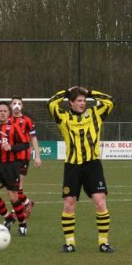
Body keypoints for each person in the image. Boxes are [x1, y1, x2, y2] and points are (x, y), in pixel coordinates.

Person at [47, 85, 115, 253]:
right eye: (79, 100)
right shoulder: (63, 117)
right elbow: (51, 104)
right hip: (72, 166)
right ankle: (70, 243)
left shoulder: (95, 113)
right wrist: (66, 92)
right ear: (71, 102)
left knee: (100, 201)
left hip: (93, 165)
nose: (83, 103)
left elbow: (109, 101)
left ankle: (103, 242)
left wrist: (90, 92)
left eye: (84, 100)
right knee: (69, 203)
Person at [0, 102, 31, 236]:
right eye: (0, 110)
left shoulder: (14, 127)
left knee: (13, 198)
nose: (2, 113)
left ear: (8, 113)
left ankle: (22, 223)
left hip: (11, 167)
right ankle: (8, 217)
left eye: (5, 111)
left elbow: (25, 144)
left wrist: (11, 147)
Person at [10, 96, 42, 217]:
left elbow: (34, 138)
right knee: (13, 185)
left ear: (22, 106)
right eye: (14, 103)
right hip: (10, 157)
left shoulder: (27, 121)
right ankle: (27, 203)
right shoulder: (7, 120)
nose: (16, 105)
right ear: (10, 105)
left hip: (23, 156)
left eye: (19, 103)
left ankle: (16, 210)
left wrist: (37, 156)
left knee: (17, 184)